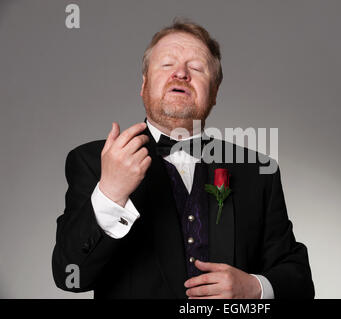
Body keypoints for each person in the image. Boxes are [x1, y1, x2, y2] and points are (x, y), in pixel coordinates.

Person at [52, 19, 314, 299]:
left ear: (213, 93)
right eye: (167, 64)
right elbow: (70, 275)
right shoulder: (93, 161)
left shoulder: (258, 172)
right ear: (144, 85)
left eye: (197, 68)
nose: (181, 73)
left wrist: (255, 287)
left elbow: (299, 281)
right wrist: (111, 193)